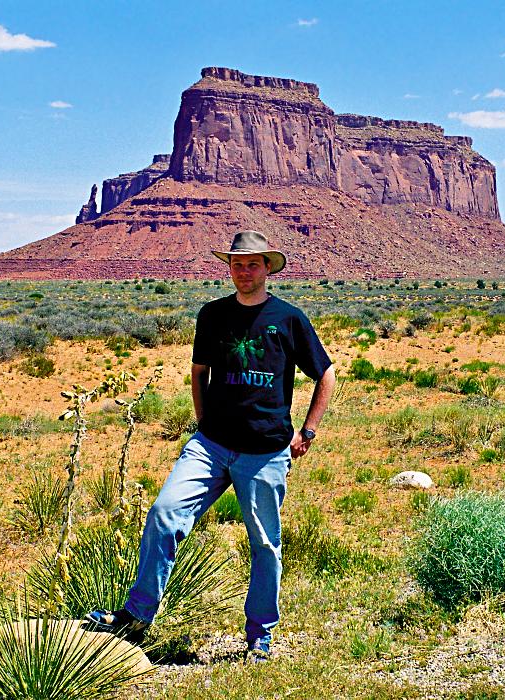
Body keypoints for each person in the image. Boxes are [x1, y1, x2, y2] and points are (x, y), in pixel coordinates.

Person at [85, 230, 336, 662]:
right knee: (165, 514)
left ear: (267, 268)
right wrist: (202, 423)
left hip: (264, 453)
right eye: (237, 264)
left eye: (252, 264)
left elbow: (325, 374)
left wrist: (307, 432)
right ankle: (136, 616)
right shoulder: (213, 315)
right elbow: (199, 371)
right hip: (211, 445)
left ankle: (260, 634)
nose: (243, 271)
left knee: (264, 544)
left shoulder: (289, 318)